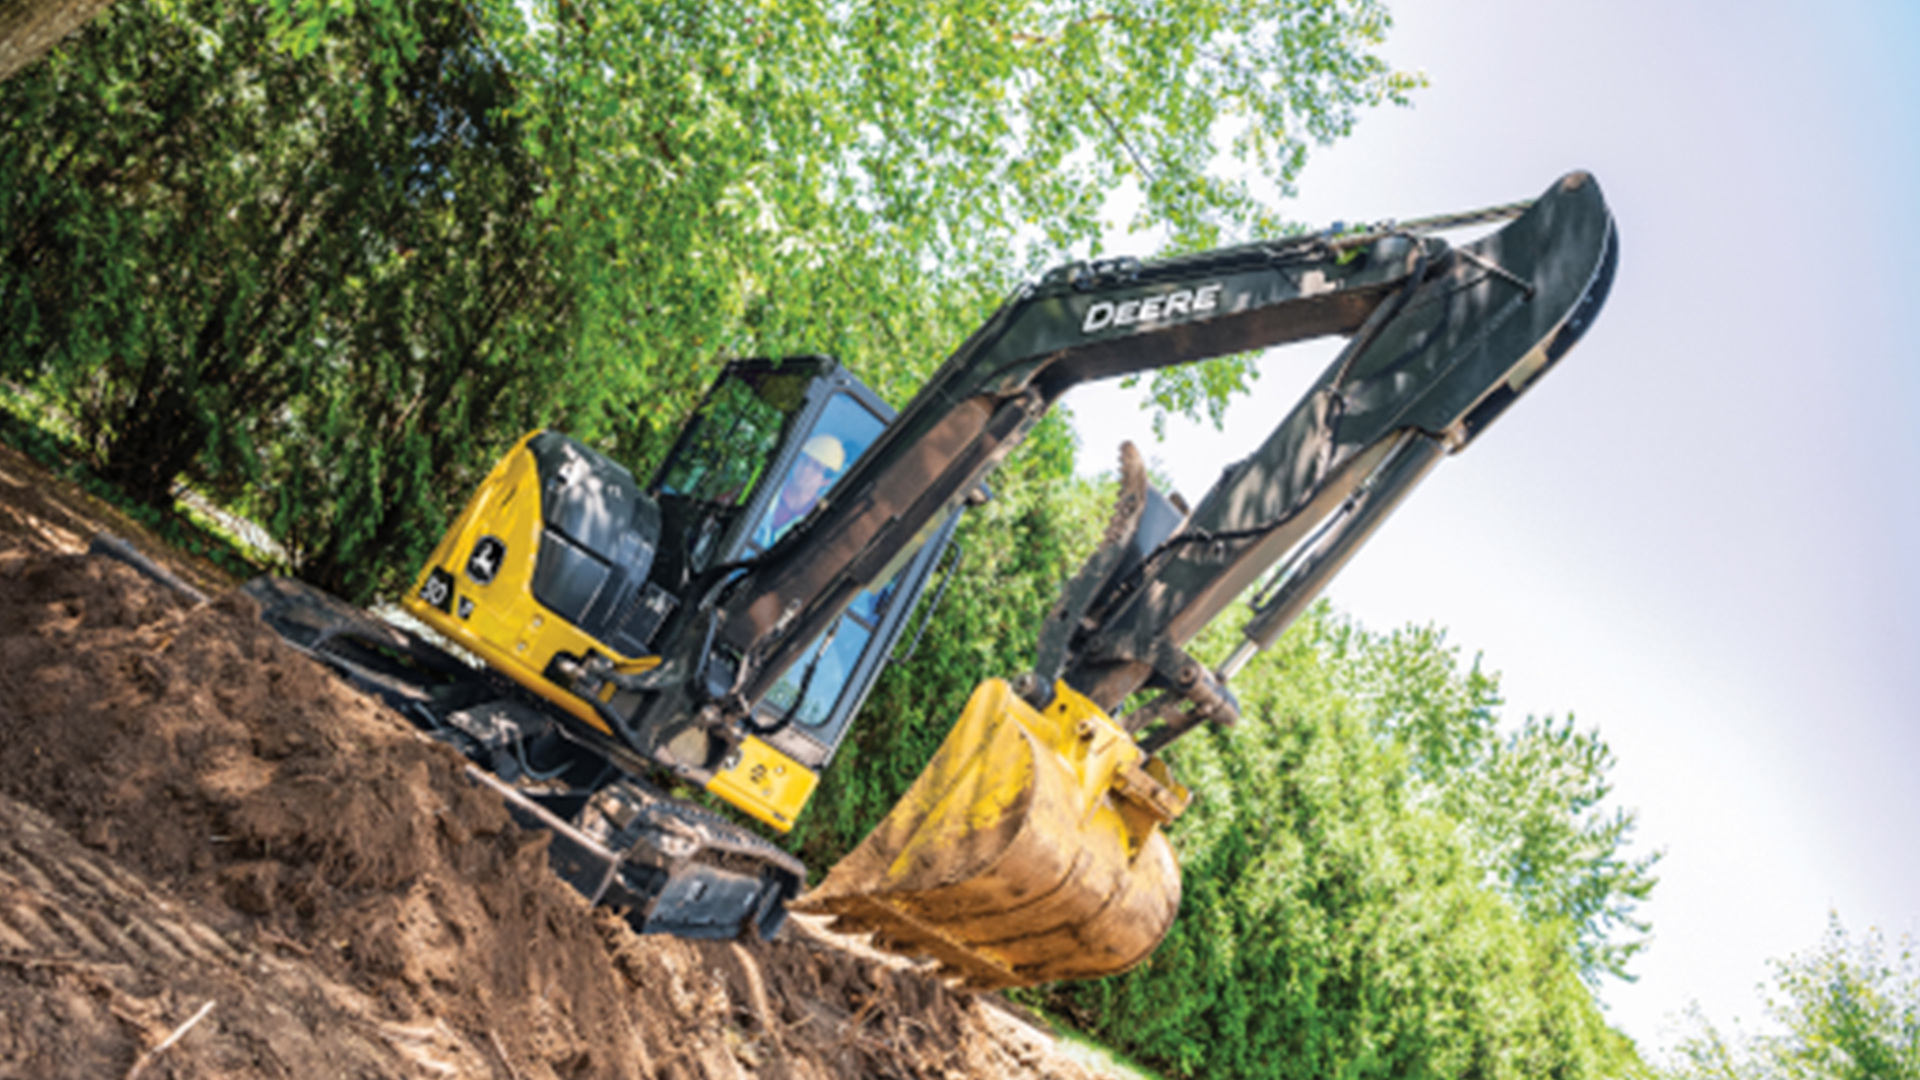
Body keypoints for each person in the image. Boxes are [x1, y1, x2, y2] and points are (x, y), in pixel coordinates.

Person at [753, 433, 844, 549]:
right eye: (805, 460)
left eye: (816, 467)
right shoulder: (765, 485)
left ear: (826, 481)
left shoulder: (817, 519)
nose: (806, 469)